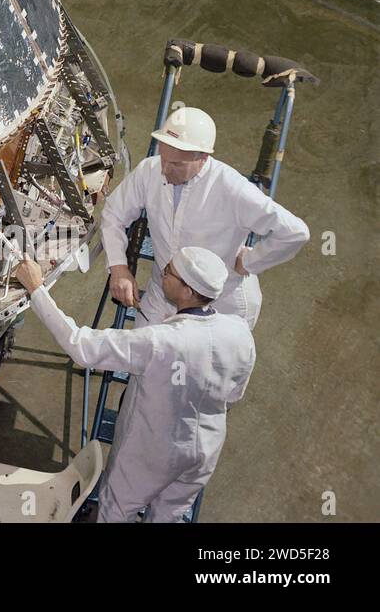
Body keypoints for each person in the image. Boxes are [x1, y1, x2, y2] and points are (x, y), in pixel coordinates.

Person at [16, 246, 255, 523]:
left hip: (154, 451)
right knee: (169, 515)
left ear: (188, 291)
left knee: (114, 510)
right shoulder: (239, 331)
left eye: (169, 273)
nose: (162, 273)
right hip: (205, 451)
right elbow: (234, 394)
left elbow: (81, 346)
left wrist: (36, 289)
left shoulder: (161, 341)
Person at [102, 104, 309, 329]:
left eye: (177, 164)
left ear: (203, 157)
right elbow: (113, 214)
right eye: (163, 157)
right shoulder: (149, 171)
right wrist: (119, 267)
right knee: (142, 356)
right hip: (163, 296)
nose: (165, 169)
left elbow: (295, 232)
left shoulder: (232, 189)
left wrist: (251, 261)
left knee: (201, 361)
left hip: (220, 307)